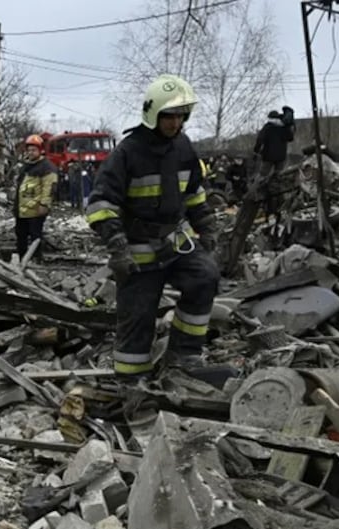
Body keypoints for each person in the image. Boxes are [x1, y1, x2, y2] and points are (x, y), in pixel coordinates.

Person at [85, 74, 219, 379]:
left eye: (180, 115)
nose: (175, 123)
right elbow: (100, 203)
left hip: (176, 243)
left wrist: (208, 228)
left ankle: (184, 354)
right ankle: (132, 382)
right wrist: (117, 248)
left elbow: (195, 194)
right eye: (169, 116)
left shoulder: (184, 147)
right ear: (153, 114)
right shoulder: (127, 153)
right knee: (137, 317)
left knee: (205, 277)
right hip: (137, 252)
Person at [14, 134, 57, 259]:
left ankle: (36, 260)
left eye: (34, 150)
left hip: (35, 210)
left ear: (40, 150)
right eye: (29, 150)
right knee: (20, 236)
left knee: (35, 237)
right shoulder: (25, 166)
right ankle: (22, 259)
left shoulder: (46, 167)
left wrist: (44, 204)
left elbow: (49, 188)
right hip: (22, 210)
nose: (31, 152)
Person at [253, 105, 294, 178]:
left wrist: (256, 151)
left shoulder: (267, 127)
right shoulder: (283, 127)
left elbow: (260, 139)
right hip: (281, 156)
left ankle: (255, 188)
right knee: (279, 176)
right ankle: (276, 188)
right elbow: (290, 138)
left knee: (262, 175)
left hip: (268, 156)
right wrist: (289, 128)